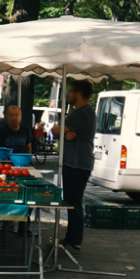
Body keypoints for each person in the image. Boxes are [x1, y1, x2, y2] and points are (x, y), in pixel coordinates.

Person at [53, 80, 97, 252]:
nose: (68, 94)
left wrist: (61, 130)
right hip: (77, 162)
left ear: (78, 93)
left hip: (77, 163)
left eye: (70, 91)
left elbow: (55, 131)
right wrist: (66, 131)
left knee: (74, 202)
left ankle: (75, 239)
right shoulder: (84, 113)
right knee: (72, 200)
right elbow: (59, 132)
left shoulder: (81, 113)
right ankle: (71, 237)